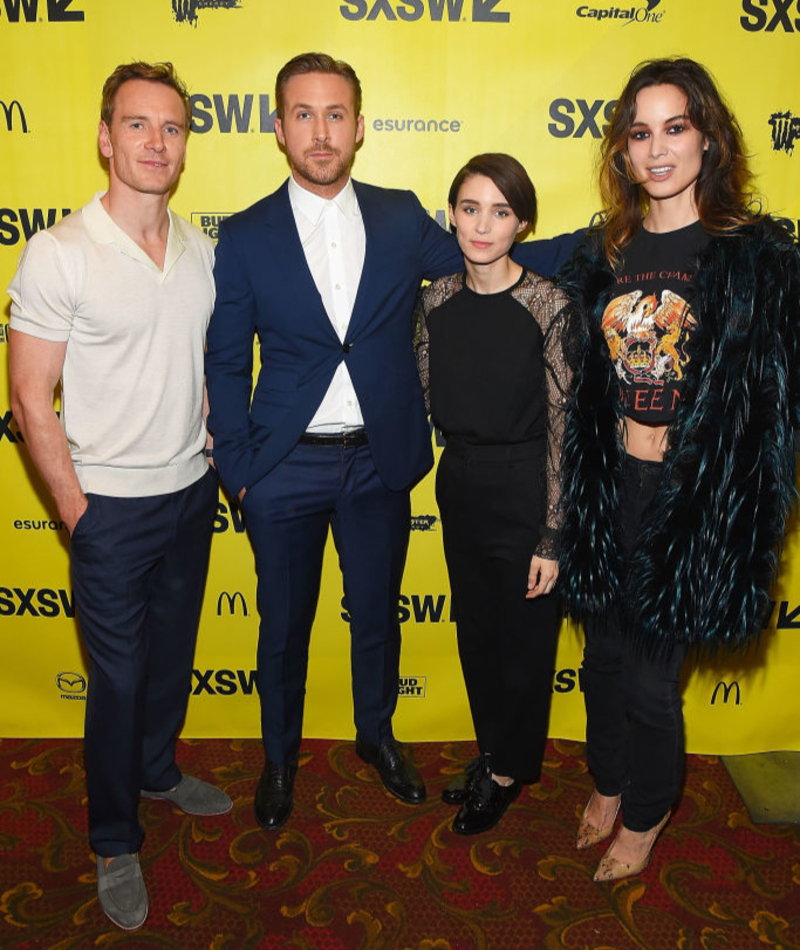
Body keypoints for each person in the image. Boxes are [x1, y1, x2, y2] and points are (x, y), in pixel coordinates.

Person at [204, 52, 580, 832]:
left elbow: (497, 260)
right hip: (281, 467)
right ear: (277, 128)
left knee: (376, 615)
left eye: (335, 114)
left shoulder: (401, 214)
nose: (320, 130)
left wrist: (620, 231)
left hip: (379, 463)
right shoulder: (243, 235)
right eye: (302, 114)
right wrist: (239, 471)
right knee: (283, 626)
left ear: (360, 127)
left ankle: (378, 739)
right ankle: (279, 760)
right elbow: (226, 358)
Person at [557, 57, 800, 882]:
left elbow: (776, 404)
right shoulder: (603, 253)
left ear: (707, 137)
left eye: (675, 127)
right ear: (622, 149)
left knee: (655, 685)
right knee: (601, 662)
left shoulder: (753, 257)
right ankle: (609, 779)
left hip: (689, 499)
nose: (658, 149)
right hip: (606, 488)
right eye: (640, 132)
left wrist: (737, 497)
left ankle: (648, 813)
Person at [8, 62, 232, 931]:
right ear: (105, 137)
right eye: (138, 125)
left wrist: (214, 443)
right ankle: (113, 836)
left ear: (184, 147)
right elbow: (31, 399)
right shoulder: (59, 250)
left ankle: (156, 769)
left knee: (170, 660)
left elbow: (200, 364)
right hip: (108, 508)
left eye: (171, 128)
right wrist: (77, 516)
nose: (155, 142)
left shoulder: (200, 250)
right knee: (120, 676)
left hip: (189, 494)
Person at [413, 154, 574, 835]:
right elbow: (425, 391)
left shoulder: (549, 305)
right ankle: (494, 754)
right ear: (451, 213)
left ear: (523, 223)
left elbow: (565, 428)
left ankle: (509, 771)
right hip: (462, 483)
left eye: (501, 211)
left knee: (525, 644)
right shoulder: (434, 299)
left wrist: (552, 534)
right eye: (470, 207)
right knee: (477, 635)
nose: (483, 224)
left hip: (528, 484)